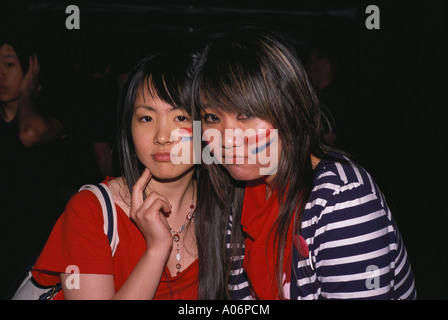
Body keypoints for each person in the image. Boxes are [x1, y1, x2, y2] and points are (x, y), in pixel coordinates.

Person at [192, 26, 416, 300]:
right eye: (212, 118)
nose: (226, 139)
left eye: (246, 114)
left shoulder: (340, 201)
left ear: (289, 106)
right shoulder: (237, 193)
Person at [30, 51, 230, 299]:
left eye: (180, 117)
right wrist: (157, 249)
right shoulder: (90, 211)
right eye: (146, 118)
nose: (162, 136)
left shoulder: (228, 210)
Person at [0, 38, 67, 299]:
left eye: (10, 64)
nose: (1, 74)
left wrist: (26, 94)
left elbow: (29, 134)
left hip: (35, 244)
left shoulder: (52, 114)